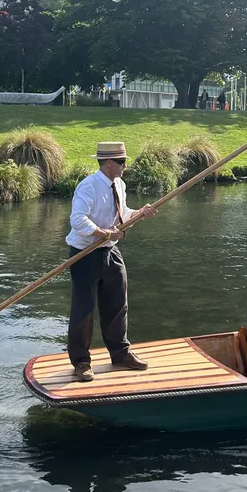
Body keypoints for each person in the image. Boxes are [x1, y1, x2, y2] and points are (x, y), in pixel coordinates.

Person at [66, 142, 157, 382]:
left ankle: (120, 353)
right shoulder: (88, 187)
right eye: (121, 162)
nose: (125, 165)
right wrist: (105, 233)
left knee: (118, 304)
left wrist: (140, 214)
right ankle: (81, 362)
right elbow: (78, 220)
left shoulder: (120, 184)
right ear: (108, 163)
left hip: (110, 251)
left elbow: (123, 215)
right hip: (84, 253)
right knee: (84, 309)